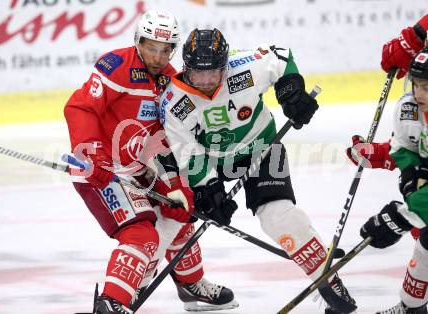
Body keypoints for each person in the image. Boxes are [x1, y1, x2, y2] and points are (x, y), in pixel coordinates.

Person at [158, 28, 357, 313]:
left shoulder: (246, 66)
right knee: (175, 216)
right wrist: (209, 188)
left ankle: (328, 280)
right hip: (213, 160)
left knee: (278, 217)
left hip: (263, 148)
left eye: (213, 72)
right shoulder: (173, 101)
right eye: (196, 73)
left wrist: (291, 92)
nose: (204, 81)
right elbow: (187, 149)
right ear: (185, 67)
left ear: (225, 64)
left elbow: (281, 56)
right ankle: (146, 283)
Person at [64, 10, 237, 314]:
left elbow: (167, 135)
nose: (157, 56)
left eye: (164, 49)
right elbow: (80, 108)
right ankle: (113, 301)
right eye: (150, 47)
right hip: (100, 171)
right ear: (138, 41)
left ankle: (191, 285)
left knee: (181, 209)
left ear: (173, 49)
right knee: (142, 233)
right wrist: (90, 153)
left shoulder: (172, 80)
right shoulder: (116, 66)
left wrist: (176, 184)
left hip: (143, 167)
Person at [349, 49, 428, 313]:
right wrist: (407, 175)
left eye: (427, 87)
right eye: (416, 85)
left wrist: (405, 216)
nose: (419, 95)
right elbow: (405, 148)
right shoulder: (409, 110)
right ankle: (412, 307)